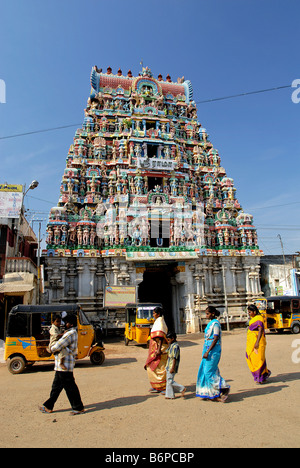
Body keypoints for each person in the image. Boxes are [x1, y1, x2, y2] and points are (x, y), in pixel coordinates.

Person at [38, 314, 85, 416]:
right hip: (61, 365)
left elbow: (57, 346)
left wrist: (51, 348)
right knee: (56, 387)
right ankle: (48, 406)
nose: (64, 324)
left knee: (70, 387)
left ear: (71, 324)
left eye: (66, 322)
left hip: (65, 365)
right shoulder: (69, 333)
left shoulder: (70, 334)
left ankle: (78, 407)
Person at [196, 306, 230, 402]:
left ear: (213, 313)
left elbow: (215, 338)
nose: (206, 315)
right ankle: (211, 393)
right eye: (206, 313)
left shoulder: (215, 324)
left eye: (207, 313)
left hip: (212, 351)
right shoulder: (210, 324)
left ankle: (223, 387)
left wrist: (208, 351)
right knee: (205, 370)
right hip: (207, 349)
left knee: (208, 371)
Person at [144, 306, 168, 393]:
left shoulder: (160, 322)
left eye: (154, 313)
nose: (153, 315)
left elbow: (160, 336)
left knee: (160, 368)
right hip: (154, 347)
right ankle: (156, 385)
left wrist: (158, 350)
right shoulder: (157, 321)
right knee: (151, 367)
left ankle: (163, 386)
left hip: (159, 348)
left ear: (158, 314)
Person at [246, 304, 271, 384]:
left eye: (250, 312)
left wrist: (257, 342)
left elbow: (260, 330)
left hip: (258, 342)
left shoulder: (259, 318)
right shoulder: (253, 319)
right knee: (250, 357)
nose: (249, 313)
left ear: (254, 311)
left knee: (259, 359)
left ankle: (260, 377)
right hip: (251, 341)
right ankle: (261, 375)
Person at [165, 331, 186, 400]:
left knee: (170, 380)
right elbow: (166, 352)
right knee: (168, 380)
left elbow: (174, 358)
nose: (168, 341)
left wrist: (172, 367)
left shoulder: (175, 347)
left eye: (168, 339)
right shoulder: (171, 345)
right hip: (168, 365)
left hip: (172, 366)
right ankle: (169, 395)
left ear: (172, 338)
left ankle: (182, 388)